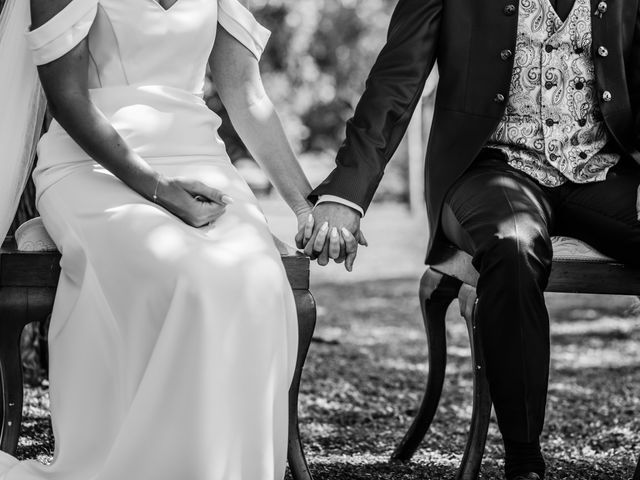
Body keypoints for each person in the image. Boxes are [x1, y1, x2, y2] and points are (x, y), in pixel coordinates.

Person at [299, 0, 640, 478]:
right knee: (512, 245)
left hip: (600, 168)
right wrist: (346, 191)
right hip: (488, 169)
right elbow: (396, 80)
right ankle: (524, 461)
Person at [0, 0, 314, 479]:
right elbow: (67, 97)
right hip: (91, 163)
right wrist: (159, 189)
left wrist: (303, 205)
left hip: (201, 159)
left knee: (256, 280)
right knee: (187, 276)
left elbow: (245, 92)